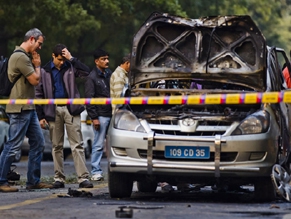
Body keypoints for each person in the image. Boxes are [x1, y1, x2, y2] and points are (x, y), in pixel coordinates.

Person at [0, 28, 53, 192]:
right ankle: (1, 181)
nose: (40, 47)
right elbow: (35, 80)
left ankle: (33, 181)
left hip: (28, 108)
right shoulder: (20, 57)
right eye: (39, 43)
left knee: (38, 142)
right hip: (19, 109)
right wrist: (37, 66)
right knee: (12, 146)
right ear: (31, 39)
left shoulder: (24, 56)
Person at [35, 44, 93, 189]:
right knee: (56, 146)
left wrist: (71, 58)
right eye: (59, 59)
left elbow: (88, 73)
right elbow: (38, 94)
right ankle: (59, 178)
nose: (62, 62)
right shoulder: (45, 71)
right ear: (53, 56)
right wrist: (41, 115)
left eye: (63, 59)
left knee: (77, 145)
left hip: (71, 109)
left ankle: (83, 178)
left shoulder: (70, 66)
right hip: (52, 111)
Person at [84, 49, 112, 181]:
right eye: (103, 59)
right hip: (100, 116)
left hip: (112, 114)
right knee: (98, 144)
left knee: (115, 143)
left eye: (107, 58)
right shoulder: (91, 78)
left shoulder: (109, 74)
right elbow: (89, 100)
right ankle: (96, 171)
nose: (106, 61)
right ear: (96, 61)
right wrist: (94, 118)